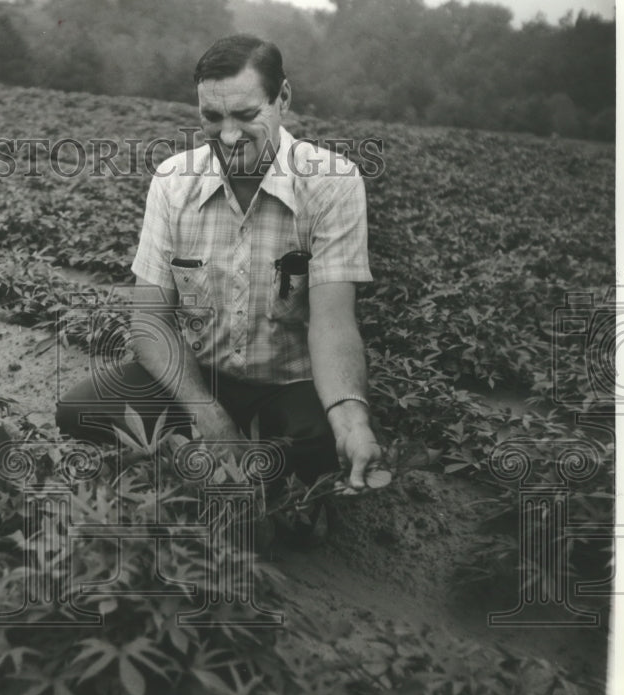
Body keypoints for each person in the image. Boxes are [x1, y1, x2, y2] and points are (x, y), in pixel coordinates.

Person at [56, 34, 382, 492]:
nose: (228, 136)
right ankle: (219, 453)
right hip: (200, 373)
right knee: (79, 410)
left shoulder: (333, 184)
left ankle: (246, 465)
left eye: (247, 116)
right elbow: (149, 321)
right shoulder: (173, 183)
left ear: (282, 98)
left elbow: (332, 323)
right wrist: (206, 411)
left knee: (325, 441)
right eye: (212, 117)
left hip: (287, 382)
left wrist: (350, 417)